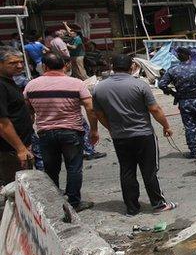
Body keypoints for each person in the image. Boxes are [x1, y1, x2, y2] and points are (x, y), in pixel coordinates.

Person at [91, 54, 177, 215]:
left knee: (127, 170)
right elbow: (154, 109)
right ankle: (158, 204)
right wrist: (166, 126)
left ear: (112, 67)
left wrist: (111, 128)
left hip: (120, 136)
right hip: (143, 134)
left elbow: (98, 113)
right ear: (132, 67)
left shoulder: (99, 88)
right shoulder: (140, 85)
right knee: (149, 170)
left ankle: (131, 208)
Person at [24, 53, 100, 211]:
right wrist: (94, 130)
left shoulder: (31, 85)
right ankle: (74, 202)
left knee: (51, 169)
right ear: (65, 65)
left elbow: (28, 112)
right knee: (74, 167)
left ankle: (54, 203)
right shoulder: (76, 83)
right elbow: (90, 108)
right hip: (71, 131)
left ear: (44, 66)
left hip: (45, 132)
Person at [158, 47, 196, 159]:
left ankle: (193, 151)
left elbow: (161, 84)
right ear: (189, 56)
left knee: (189, 127)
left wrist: (173, 93)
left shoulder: (173, 70)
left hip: (184, 102)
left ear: (178, 57)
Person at [0, 47, 33, 183]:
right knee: (17, 189)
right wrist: (20, 148)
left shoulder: (9, 81)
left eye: (21, 62)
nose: (19, 66)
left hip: (21, 146)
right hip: (10, 149)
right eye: (13, 63)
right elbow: (2, 123)